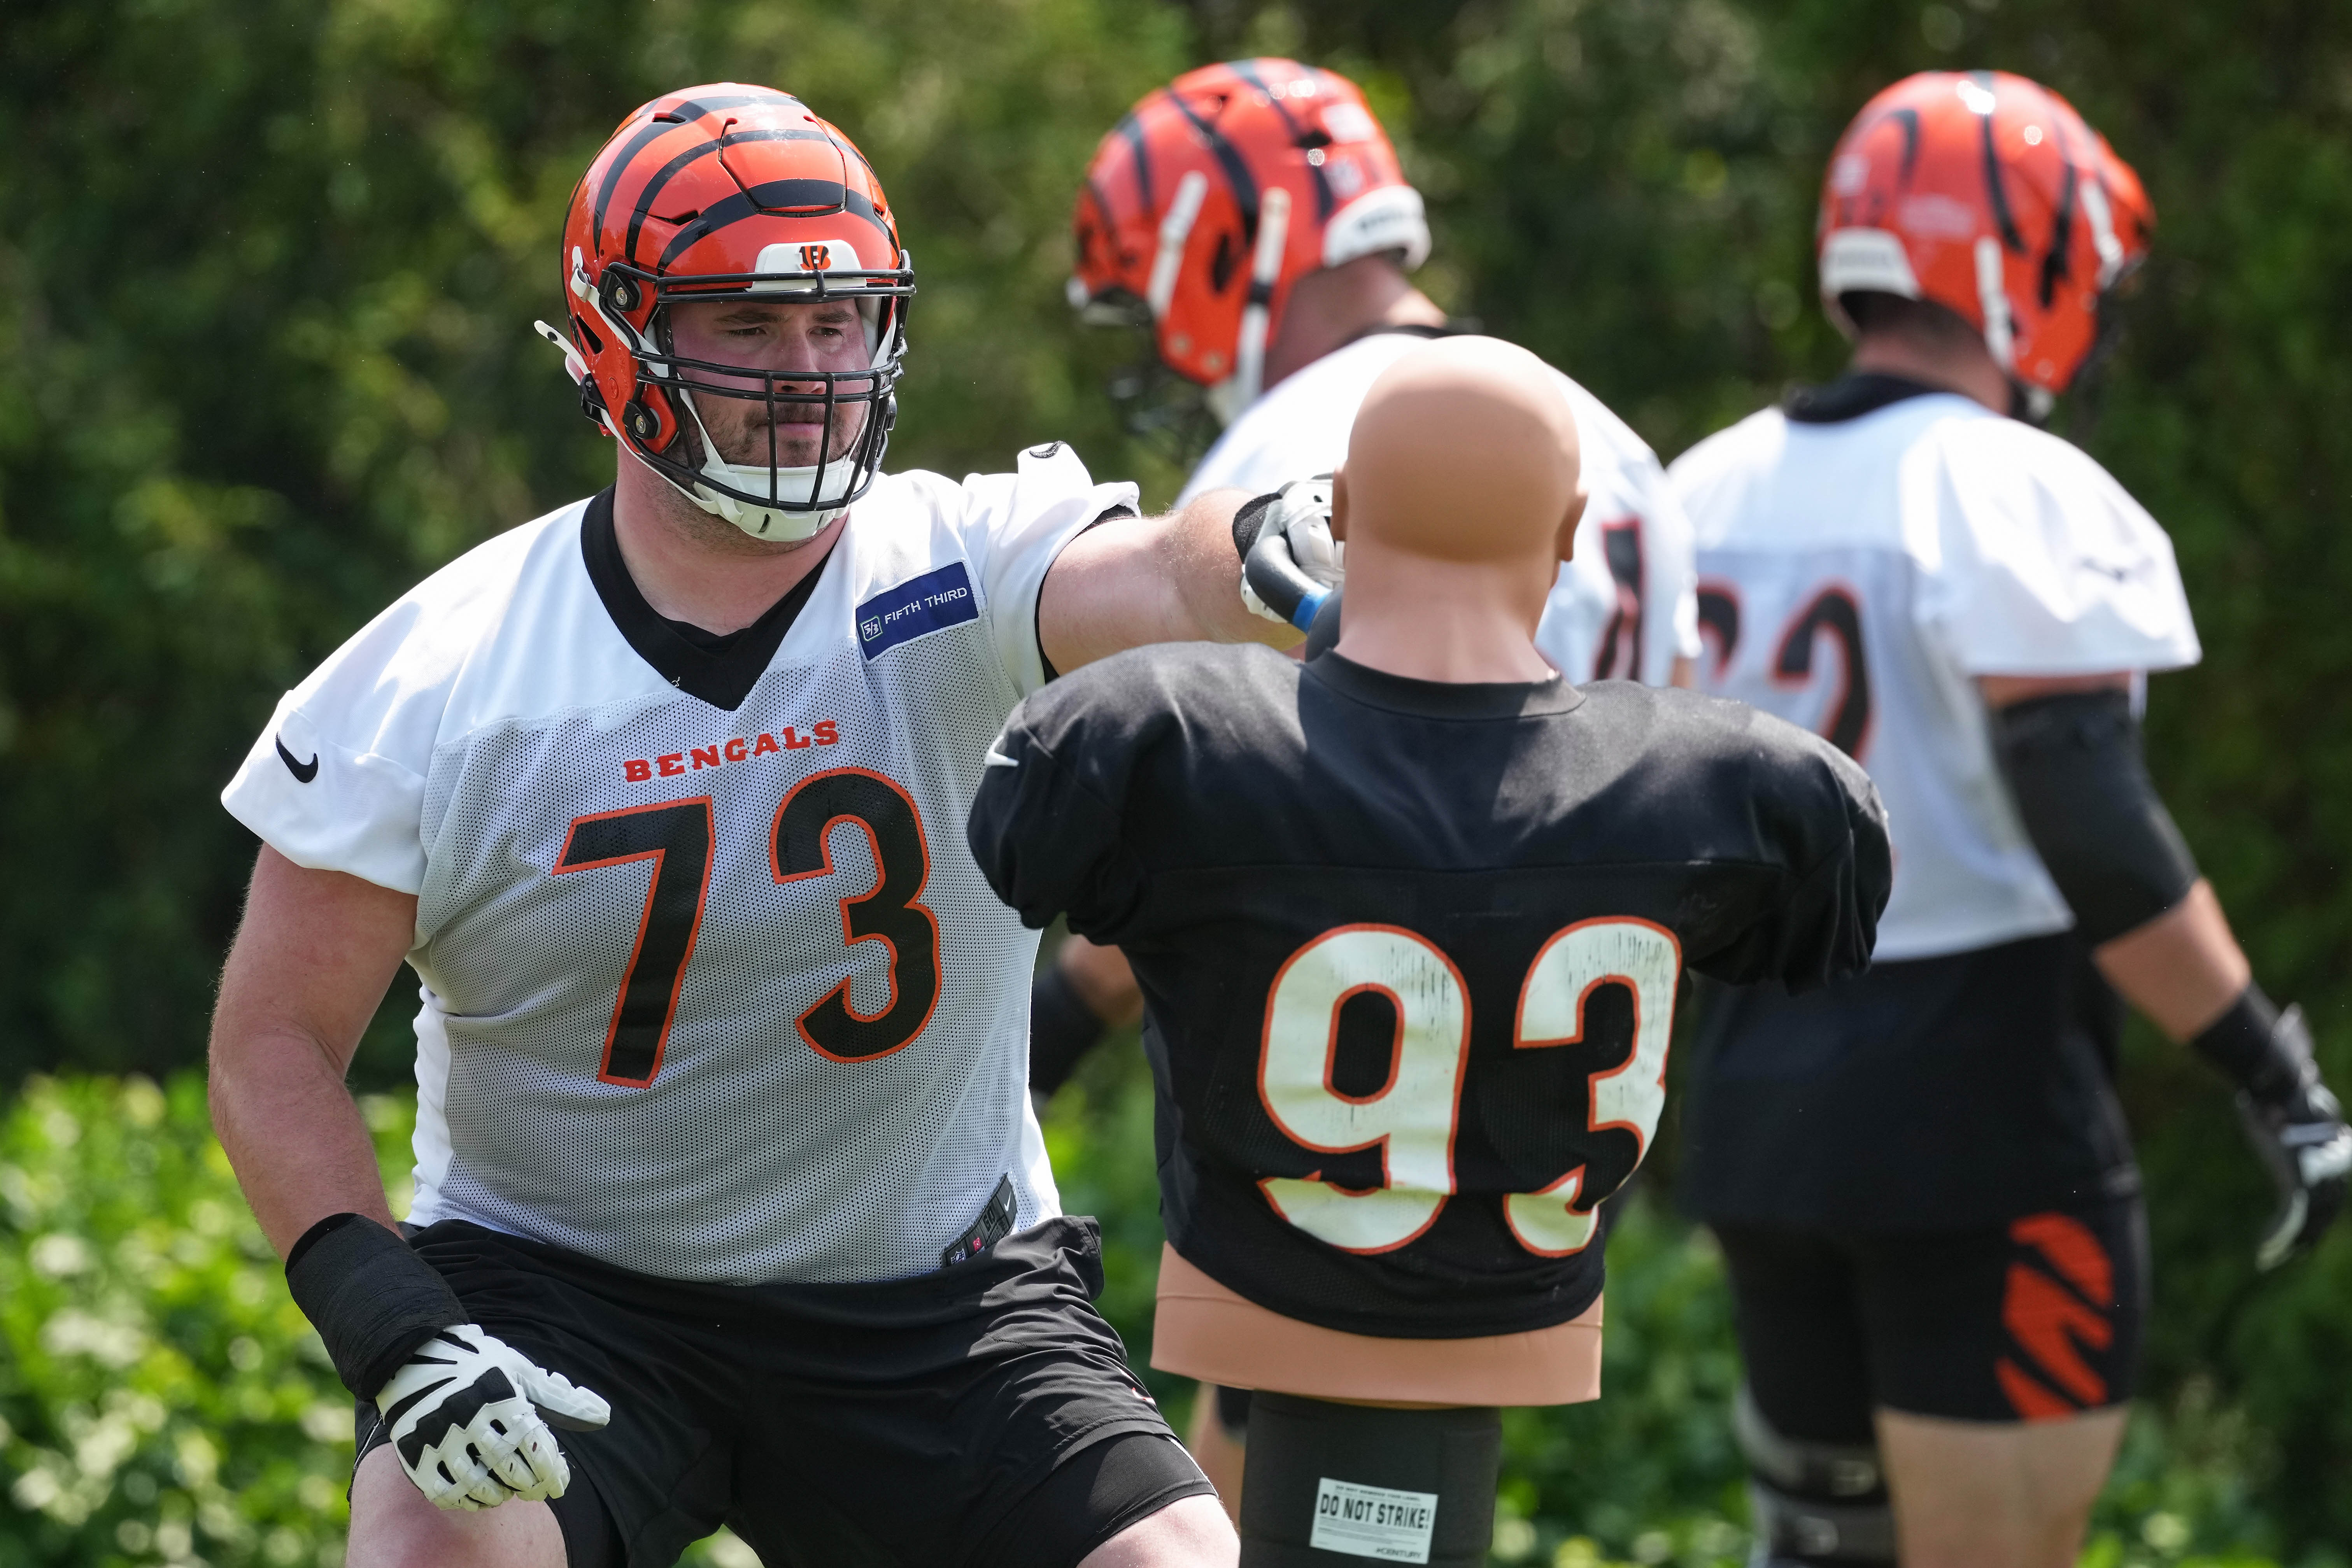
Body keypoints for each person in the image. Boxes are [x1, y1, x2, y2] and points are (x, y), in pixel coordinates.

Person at [205, 82, 1309, 1568]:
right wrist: (390, 1322)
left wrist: (1254, 542)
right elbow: (272, 1041)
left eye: (839, 322)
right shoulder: (445, 674)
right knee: (436, 1554)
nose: (809, 372)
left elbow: (1163, 572)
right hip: (562, 1290)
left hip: (934, 1288)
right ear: (618, 337)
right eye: (747, 323)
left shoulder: (955, 565)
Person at [968, 335, 1892, 1568]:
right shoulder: (1736, 781)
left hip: (1260, 1290)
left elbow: (1021, 842)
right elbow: (1820, 925)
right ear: (1572, 536)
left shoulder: (1172, 732)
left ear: (1338, 514)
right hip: (1522, 1302)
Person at [1670, 70, 2352, 1568]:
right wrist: (2271, 1073)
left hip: (1759, 1099)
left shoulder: (1696, 489)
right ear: (2026, 263)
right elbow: (2092, 827)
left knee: (1823, 1554)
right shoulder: (2014, 491)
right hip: (1981, 1109)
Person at [1051, 60, 1706, 1492]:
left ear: (1219, 247)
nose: (1160, 339)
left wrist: (1030, 1035)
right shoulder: (1611, 446)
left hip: (1335, 1049)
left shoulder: (1316, 450)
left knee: (1281, 1454)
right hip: (1556, 1078)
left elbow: (1240, 797)